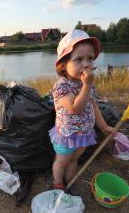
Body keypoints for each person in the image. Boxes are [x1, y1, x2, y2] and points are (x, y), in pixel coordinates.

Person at [49, 29, 115, 194]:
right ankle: (57, 183)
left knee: (74, 160)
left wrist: (104, 126)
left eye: (90, 58)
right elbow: (74, 108)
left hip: (84, 133)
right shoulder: (62, 85)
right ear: (63, 65)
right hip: (67, 135)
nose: (86, 64)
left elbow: (92, 105)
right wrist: (86, 86)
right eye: (78, 59)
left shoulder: (88, 84)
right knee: (62, 162)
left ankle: (70, 183)